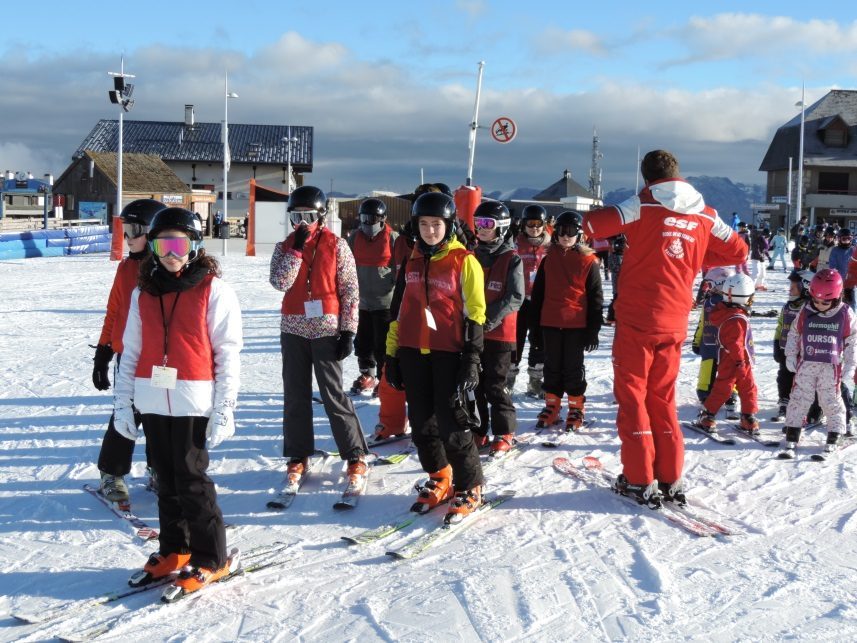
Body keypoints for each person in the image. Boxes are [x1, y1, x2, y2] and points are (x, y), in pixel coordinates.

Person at [582, 149, 747, 508]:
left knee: (632, 397)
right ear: (679, 174)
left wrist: (633, 205)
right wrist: (696, 256)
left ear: (647, 179)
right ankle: (670, 477)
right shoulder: (706, 213)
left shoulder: (643, 205)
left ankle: (640, 479)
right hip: (674, 322)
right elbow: (739, 250)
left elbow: (592, 225)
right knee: (662, 398)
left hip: (638, 321)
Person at [112, 207, 242, 597]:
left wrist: (224, 406)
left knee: (191, 480)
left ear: (194, 246)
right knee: (164, 480)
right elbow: (131, 351)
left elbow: (228, 351)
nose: (170, 253)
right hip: (153, 399)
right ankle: (174, 549)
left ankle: (211, 556)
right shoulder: (143, 292)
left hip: (194, 399)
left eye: (178, 244)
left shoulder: (213, 290)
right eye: (162, 244)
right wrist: (124, 403)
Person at [385, 191, 487, 523]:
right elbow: (398, 310)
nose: (430, 231)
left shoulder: (464, 261)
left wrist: (471, 357)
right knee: (422, 425)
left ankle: (470, 485)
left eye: (437, 224)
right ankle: (440, 476)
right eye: (424, 224)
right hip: (414, 352)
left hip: (450, 354)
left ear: (449, 225)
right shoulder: (411, 261)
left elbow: (476, 313)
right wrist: (392, 356)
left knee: (453, 424)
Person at [269, 186, 369, 492]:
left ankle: (354, 454)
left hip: (326, 330)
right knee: (295, 395)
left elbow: (350, 290)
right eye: (296, 216)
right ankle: (298, 454)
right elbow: (280, 281)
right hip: (294, 330)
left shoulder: (337, 246)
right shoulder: (285, 246)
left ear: (321, 216)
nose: (302, 222)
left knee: (332, 394)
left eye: (308, 216)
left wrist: (349, 330)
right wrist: (296, 250)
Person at [92, 199, 165, 504]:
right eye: (125, 230)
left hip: (162, 359)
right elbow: (114, 310)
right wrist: (103, 351)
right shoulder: (125, 268)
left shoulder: (168, 267)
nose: (128, 237)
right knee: (126, 413)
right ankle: (112, 471)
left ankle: (159, 468)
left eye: (134, 230)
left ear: (152, 231)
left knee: (161, 416)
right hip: (130, 357)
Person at [530, 211, 603, 432]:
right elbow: (538, 295)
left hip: (576, 325)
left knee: (572, 368)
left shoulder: (589, 261)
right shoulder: (548, 259)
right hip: (550, 322)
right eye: (560, 231)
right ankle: (552, 405)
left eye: (570, 232)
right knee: (552, 367)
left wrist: (593, 330)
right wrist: (535, 329)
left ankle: (576, 406)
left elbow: (595, 298)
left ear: (579, 234)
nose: (565, 236)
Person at [782, 269, 857, 456]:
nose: (820, 305)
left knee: (831, 400)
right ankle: (793, 430)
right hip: (806, 364)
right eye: (816, 300)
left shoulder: (845, 313)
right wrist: (790, 355)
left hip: (830, 367)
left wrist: (850, 365)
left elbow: (853, 342)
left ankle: (835, 432)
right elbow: (794, 333)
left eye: (825, 302)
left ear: (837, 296)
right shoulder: (806, 310)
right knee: (799, 398)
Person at [471, 201, 524, 455]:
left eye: (487, 225)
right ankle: (479, 429)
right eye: (478, 223)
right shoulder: (471, 255)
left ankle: (504, 431)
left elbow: (515, 296)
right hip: (474, 330)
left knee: (496, 384)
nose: (481, 229)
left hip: (500, 333)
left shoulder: (511, 259)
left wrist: (489, 318)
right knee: (475, 383)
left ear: (501, 228)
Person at [346, 198, 399, 401]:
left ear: (383, 219)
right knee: (363, 341)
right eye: (365, 219)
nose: (369, 224)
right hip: (362, 302)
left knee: (383, 343)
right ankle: (367, 374)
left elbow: (399, 267)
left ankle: (384, 378)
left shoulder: (392, 238)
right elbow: (347, 265)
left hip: (384, 302)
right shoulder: (355, 238)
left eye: (373, 219)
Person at [694, 273, 759, 434]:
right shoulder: (736, 319)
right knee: (737, 387)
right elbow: (735, 344)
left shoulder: (732, 313)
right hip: (736, 360)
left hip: (736, 359)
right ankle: (710, 416)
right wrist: (740, 363)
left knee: (735, 387)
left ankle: (746, 417)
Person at [511, 204, 551, 397]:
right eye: (530, 223)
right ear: (524, 224)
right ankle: (508, 379)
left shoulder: (552, 244)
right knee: (514, 340)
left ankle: (535, 381)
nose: (534, 228)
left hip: (541, 300)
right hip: (518, 300)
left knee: (538, 342)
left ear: (544, 224)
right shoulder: (516, 242)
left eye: (538, 224)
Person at [771, 270, 815, 421]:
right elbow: (780, 326)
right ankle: (784, 401)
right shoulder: (788, 306)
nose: (790, 289)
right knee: (784, 376)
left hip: (803, 353)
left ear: (806, 288)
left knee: (804, 380)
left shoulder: (811, 309)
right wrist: (777, 343)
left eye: (794, 286)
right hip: (786, 351)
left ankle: (807, 406)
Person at [691, 266, 736, 406]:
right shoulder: (708, 302)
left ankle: (730, 392)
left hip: (726, 345)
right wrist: (697, 341)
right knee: (707, 368)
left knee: (728, 370)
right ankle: (705, 392)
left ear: (720, 284)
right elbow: (702, 323)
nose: (708, 288)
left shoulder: (733, 303)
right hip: (709, 343)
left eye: (710, 285)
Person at [605, 235, 625, 324]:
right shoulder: (614, 256)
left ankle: (614, 317)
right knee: (616, 299)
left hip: (622, 283)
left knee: (618, 299)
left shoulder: (625, 256)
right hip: (617, 283)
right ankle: (611, 317)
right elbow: (611, 267)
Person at [750, 226, 770, 291]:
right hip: (755, 258)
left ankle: (758, 285)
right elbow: (756, 248)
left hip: (761, 258)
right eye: (768, 235)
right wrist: (759, 256)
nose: (769, 237)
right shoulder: (759, 238)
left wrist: (768, 256)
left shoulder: (765, 240)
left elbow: (765, 249)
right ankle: (751, 286)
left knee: (763, 273)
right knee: (756, 272)